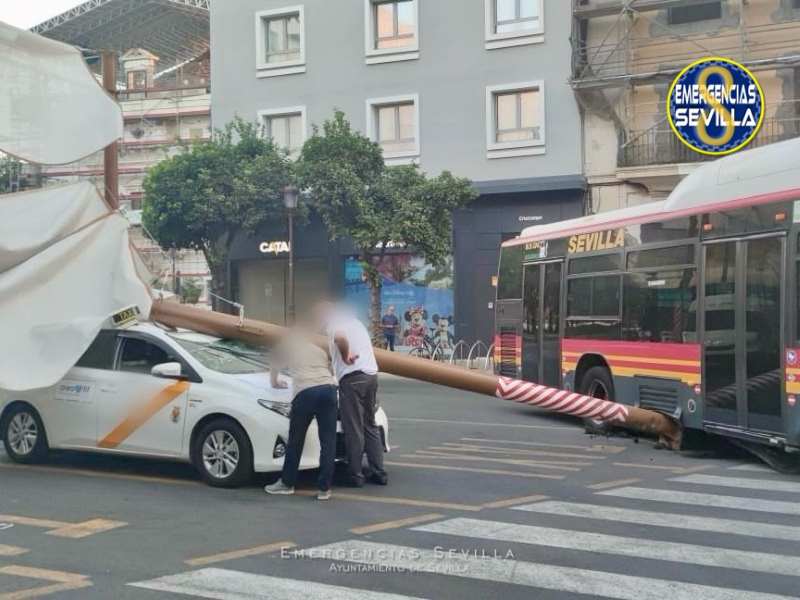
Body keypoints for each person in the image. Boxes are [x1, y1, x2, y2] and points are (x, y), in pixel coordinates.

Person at [264, 321, 338, 501]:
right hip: (328, 389)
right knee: (328, 441)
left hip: (305, 391)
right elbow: (331, 366)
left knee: (296, 440)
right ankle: (324, 489)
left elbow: (275, 360)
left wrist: (274, 382)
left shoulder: (290, 340)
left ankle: (287, 483)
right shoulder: (320, 342)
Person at [320, 302, 388, 487]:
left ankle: (356, 475)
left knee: (354, 428)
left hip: (352, 378)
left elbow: (340, 339)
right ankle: (379, 472)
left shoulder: (335, 323)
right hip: (371, 376)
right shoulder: (357, 323)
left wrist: (344, 355)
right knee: (369, 424)